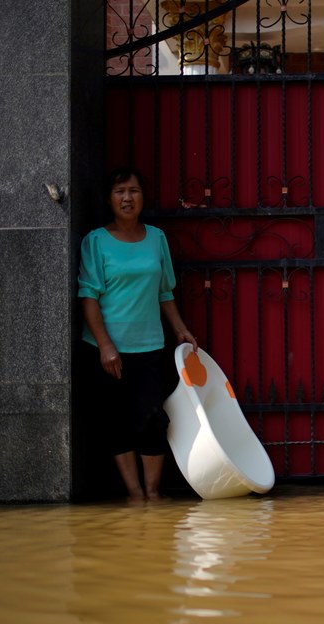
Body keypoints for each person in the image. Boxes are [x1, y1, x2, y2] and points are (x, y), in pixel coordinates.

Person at [78, 167, 197, 503]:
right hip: (107, 351)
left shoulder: (156, 238)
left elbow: (164, 292)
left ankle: (153, 493)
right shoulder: (96, 241)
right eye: (119, 192)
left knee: (152, 419)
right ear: (109, 199)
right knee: (116, 424)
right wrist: (105, 345)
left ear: (143, 197)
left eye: (133, 191)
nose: (127, 198)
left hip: (149, 347)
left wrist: (181, 330)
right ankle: (134, 495)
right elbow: (88, 297)